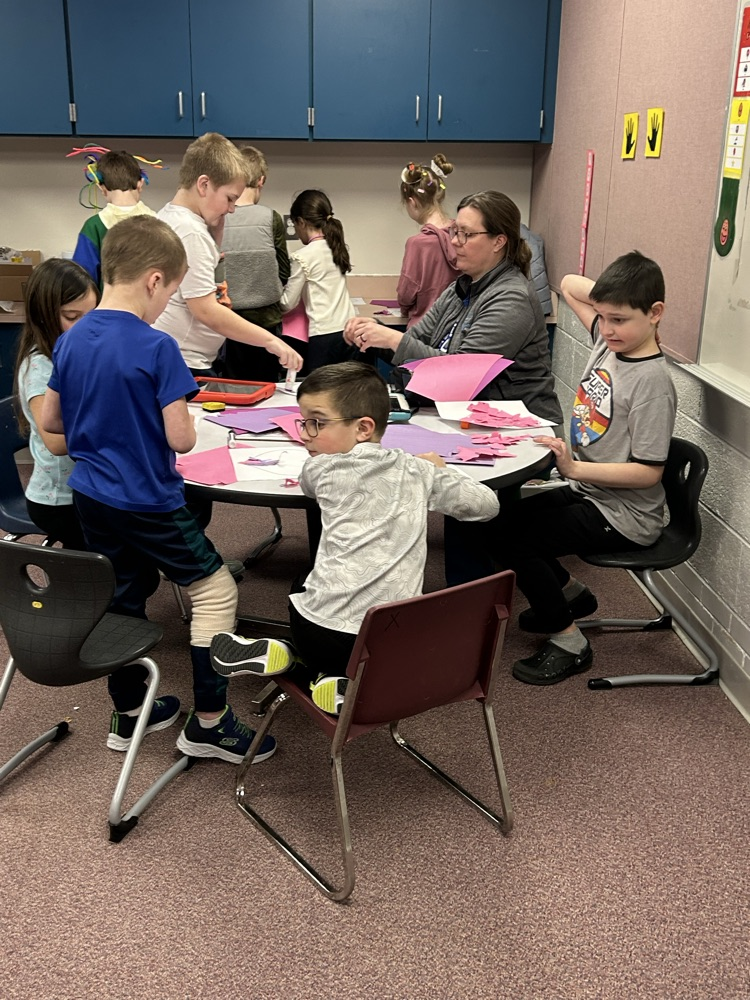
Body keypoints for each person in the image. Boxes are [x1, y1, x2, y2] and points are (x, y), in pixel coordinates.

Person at [41, 215, 293, 761]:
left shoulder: (70, 339)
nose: (166, 306)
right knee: (215, 590)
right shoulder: (157, 347)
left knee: (125, 593)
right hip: (147, 499)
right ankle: (209, 722)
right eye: (172, 293)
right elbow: (180, 439)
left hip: (91, 494)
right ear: (155, 280)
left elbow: (55, 424)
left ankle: (129, 714)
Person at [208, 361, 500, 715]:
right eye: (303, 422)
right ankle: (335, 681)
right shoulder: (418, 471)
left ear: (363, 428)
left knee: (304, 585)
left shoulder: (320, 468)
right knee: (376, 634)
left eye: (316, 422)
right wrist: (440, 470)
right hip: (385, 641)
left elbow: (308, 486)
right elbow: (486, 506)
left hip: (312, 627)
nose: (305, 434)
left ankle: (291, 655)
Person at [495, 250, 677, 686]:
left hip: (626, 515)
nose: (608, 327)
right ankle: (571, 595)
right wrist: (613, 300)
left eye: (620, 319)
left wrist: (574, 470)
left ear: (656, 314)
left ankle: (570, 642)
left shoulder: (652, 383)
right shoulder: (609, 341)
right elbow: (570, 281)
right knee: (499, 519)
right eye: (604, 316)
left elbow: (648, 473)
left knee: (519, 542)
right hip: (592, 492)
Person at [345, 190, 562, 425]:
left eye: (466, 234)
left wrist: (392, 340)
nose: (455, 241)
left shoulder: (512, 298)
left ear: (499, 241)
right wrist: (375, 333)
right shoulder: (460, 287)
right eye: (454, 231)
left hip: (521, 427)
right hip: (471, 418)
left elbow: (461, 376)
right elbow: (417, 342)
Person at [155, 132, 302, 378]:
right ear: (203, 185)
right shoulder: (191, 233)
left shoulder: (173, 217)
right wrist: (270, 341)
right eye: (230, 198)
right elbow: (206, 310)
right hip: (185, 361)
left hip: (183, 356)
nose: (232, 208)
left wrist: (217, 225)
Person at [13, 259, 99, 549]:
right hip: (59, 499)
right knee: (118, 568)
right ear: (44, 316)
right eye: (73, 316)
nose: (85, 327)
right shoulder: (40, 367)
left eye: (92, 315)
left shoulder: (81, 353)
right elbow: (54, 442)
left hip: (88, 487)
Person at [221, 145, 293, 383]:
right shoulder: (270, 218)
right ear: (261, 180)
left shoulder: (218, 218)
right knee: (266, 390)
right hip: (265, 321)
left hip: (226, 321)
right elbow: (284, 269)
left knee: (231, 390)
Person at [280, 189, 358, 372]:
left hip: (323, 336)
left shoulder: (302, 256)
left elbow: (287, 303)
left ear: (301, 222)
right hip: (349, 331)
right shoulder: (336, 247)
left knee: (321, 391)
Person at [72, 149, 156, 288]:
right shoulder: (160, 223)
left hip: (107, 308)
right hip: (153, 308)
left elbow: (81, 282)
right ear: (140, 184)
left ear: (101, 187)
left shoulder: (94, 227)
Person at [397, 154, 460, 327]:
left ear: (412, 202)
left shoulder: (417, 243)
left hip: (424, 331)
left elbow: (406, 295)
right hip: (457, 330)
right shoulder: (461, 234)